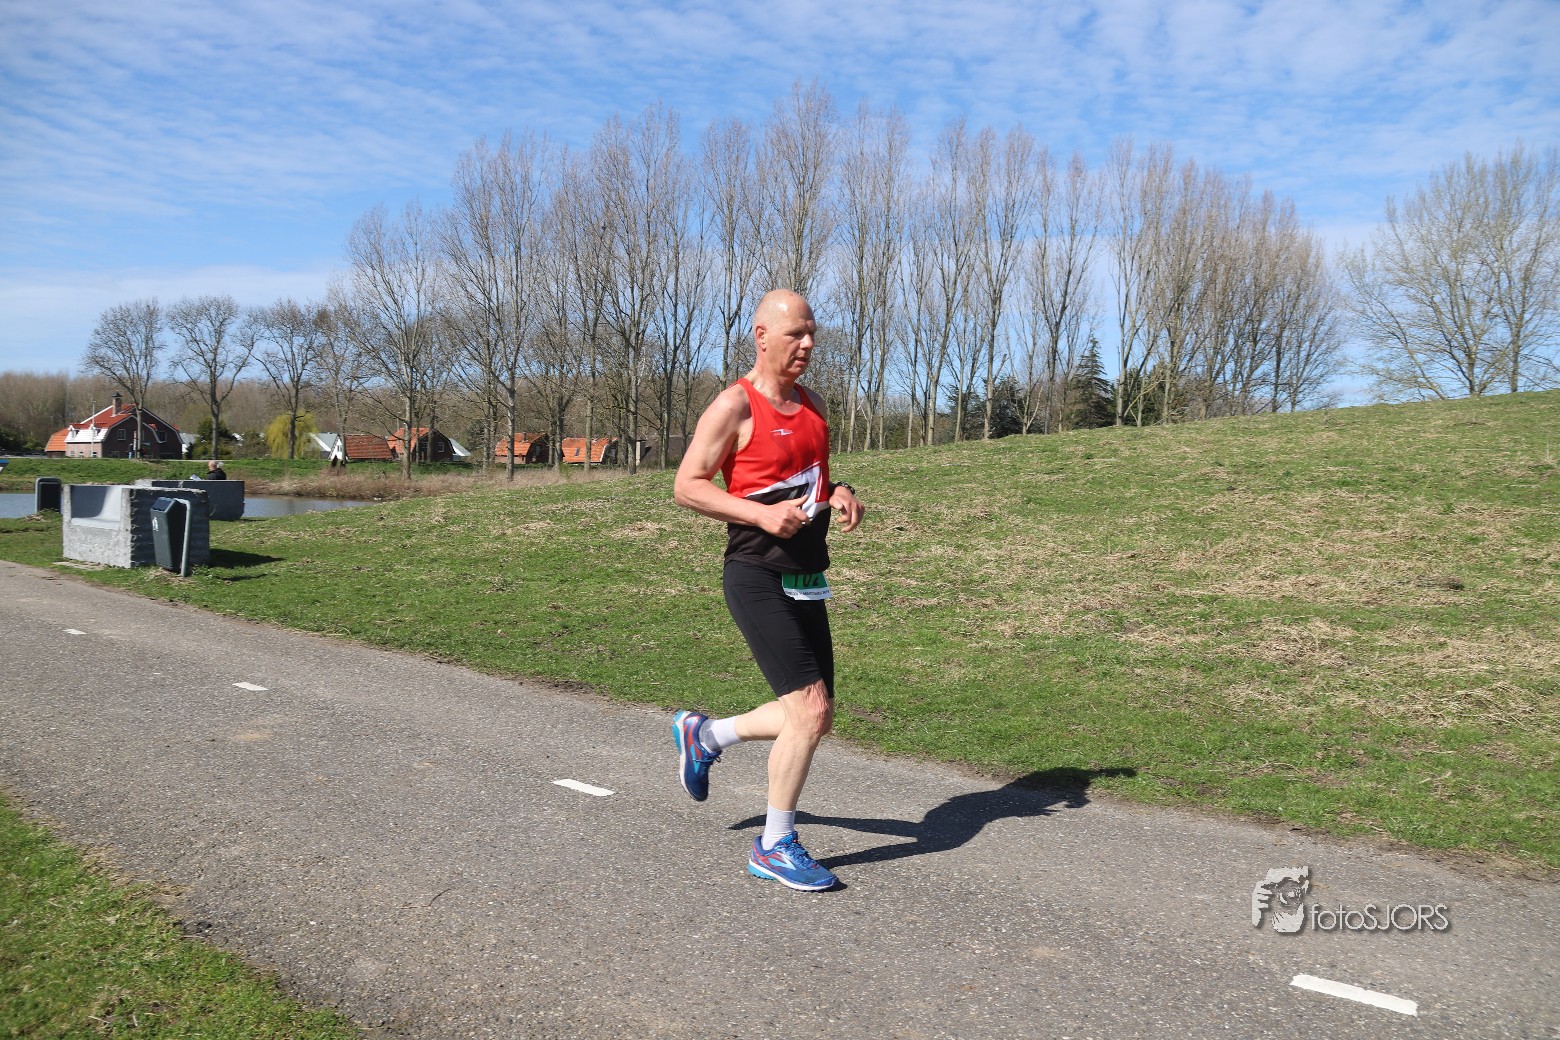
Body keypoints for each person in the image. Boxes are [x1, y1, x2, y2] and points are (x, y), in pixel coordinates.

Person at [671, 289, 865, 892]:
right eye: (794, 334)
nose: (807, 344)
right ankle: (775, 844)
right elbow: (687, 485)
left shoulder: (815, 405)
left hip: (806, 575)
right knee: (810, 711)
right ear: (761, 336)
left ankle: (706, 735)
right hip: (755, 573)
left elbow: (810, 481)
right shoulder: (734, 405)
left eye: (812, 334)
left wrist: (840, 492)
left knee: (812, 716)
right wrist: (759, 515)